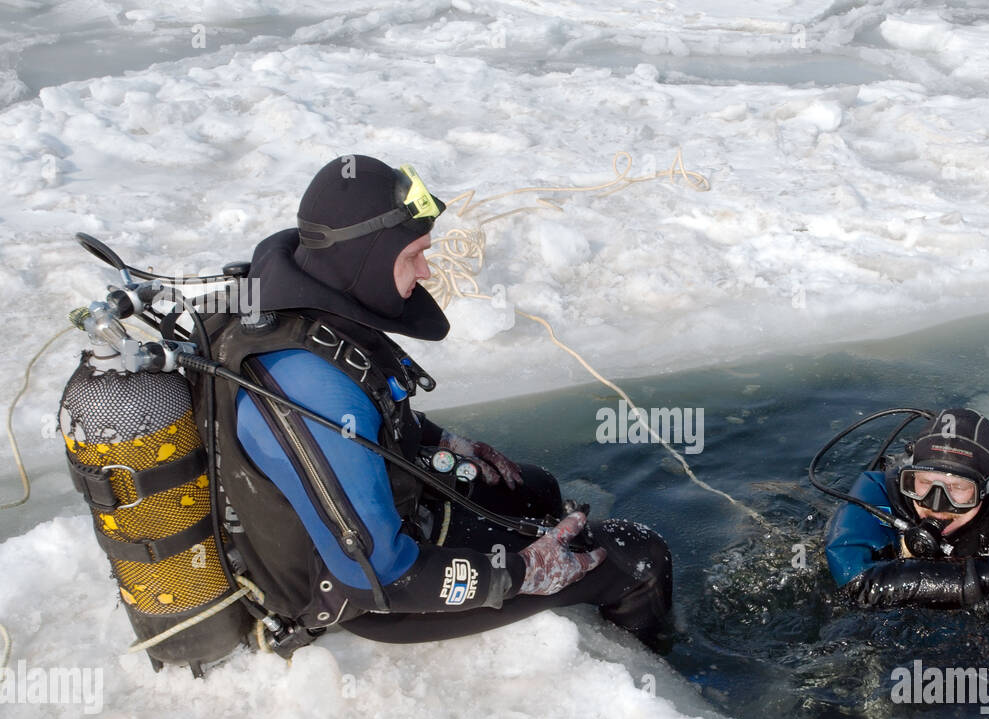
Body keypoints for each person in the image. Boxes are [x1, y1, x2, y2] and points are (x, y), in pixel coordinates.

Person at [196, 155, 671, 653]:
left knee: (536, 490)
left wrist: (441, 441)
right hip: (368, 591)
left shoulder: (300, 307)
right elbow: (379, 576)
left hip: (376, 517)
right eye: (413, 255)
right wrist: (520, 573)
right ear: (367, 258)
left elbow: (367, 409)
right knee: (638, 557)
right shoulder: (310, 394)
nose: (425, 270)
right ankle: (659, 666)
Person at [823, 408, 989, 614]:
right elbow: (854, 584)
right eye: (924, 483)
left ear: (988, 488)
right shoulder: (878, 493)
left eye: (957, 487)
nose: (935, 504)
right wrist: (987, 577)